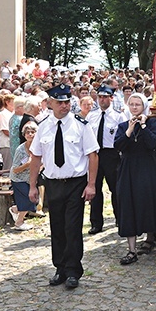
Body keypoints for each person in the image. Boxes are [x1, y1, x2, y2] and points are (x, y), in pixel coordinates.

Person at [28, 84, 99, 289]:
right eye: (59, 102)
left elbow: (92, 155)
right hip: (53, 182)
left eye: (67, 101)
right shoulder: (43, 126)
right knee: (57, 226)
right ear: (50, 103)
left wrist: (91, 185)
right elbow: (36, 157)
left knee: (72, 227)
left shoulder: (81, 124)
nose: (64, 106)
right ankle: (59, 267)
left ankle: (73, 270)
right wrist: (32, 186)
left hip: (76, 183)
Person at [114, 93, 156, 264]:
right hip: (129, 168)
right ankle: (131, 250)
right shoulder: (123, 125)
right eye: (132, 104)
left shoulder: (151, 123)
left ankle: (150, 237)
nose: (135, 107)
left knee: (147, 201)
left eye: (138, 104)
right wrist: (129, 131)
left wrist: (143, 126)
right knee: (128, 204)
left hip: (147, 168)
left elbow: (153, 143)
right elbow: (118, 145)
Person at [87, 85, 126, 234]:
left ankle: (120, 218)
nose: (102, 99)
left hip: (112, 154)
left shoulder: (118, 116)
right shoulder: (92, 115)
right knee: (94, 188)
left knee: (116, 188)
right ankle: (96, 223)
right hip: (95, 154)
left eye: (105, 97)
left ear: (111, 98)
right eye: (100, 97)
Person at [9, 122, 38, 231]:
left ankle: (15, 209)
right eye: (27, 133)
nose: (30, 134)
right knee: (28, 199)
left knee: (33, 199)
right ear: (24, 135)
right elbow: (15, 169)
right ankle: (19, 222)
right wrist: (28, 164)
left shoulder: (39, 146)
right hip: (18, 178)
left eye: (32, 132)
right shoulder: (20, 150)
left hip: (30, 178)